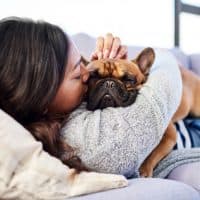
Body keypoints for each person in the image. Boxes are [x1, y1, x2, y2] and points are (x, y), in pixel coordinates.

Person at [0, 17, 199, 199]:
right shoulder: (95, 141)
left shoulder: (52, 119)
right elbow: (167, 70)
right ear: (43, 96)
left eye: (88, 69)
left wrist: (101, 65)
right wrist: (164, 63)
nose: (87, 75)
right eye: (80, 74)